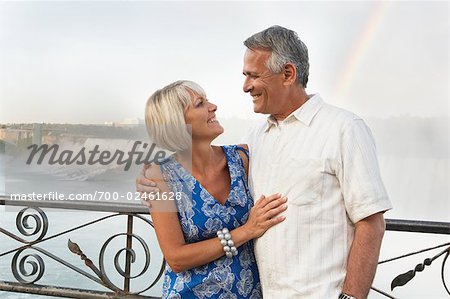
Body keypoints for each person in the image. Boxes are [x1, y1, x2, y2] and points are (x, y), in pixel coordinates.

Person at [138, 26, 393, 299]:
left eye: (253, 75)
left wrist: (351, 297)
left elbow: (371, 221)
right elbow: (176, 253)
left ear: (287, 74)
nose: (245, 86)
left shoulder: (343, 128)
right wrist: (158, 178)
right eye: (245, 75)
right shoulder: (255, 139)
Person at [140, 80, 287, 299]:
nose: (213, 106)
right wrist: (246, 231)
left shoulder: (242, 158)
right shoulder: (159, 176)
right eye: (200, 103)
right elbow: (176, 258)